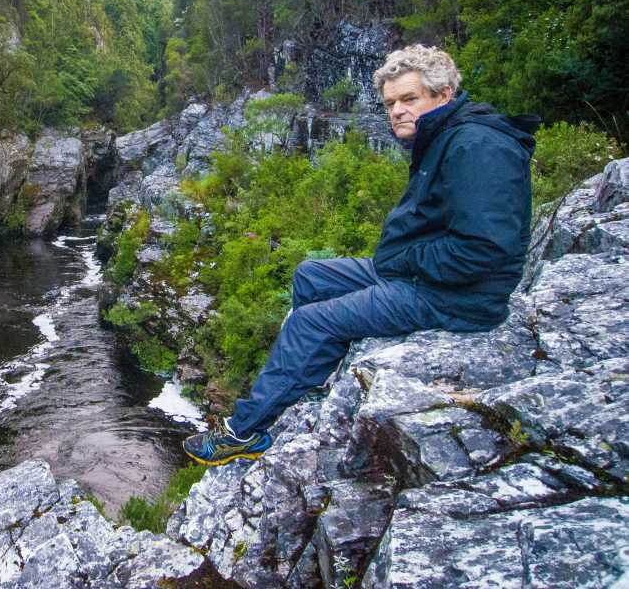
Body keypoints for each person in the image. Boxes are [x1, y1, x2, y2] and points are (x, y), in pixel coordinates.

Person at [183, 44, 539, 466]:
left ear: (443, 95)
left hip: (456, 296)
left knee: (311, 321)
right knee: (311, 276)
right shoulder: (445, 136)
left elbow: (485, 250)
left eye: (410, 99)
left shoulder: (476, 148)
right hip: (421, 276)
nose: (397, 111)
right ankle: (308, 373)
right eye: (391, 103)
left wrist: (406, 261)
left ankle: (243, 433)